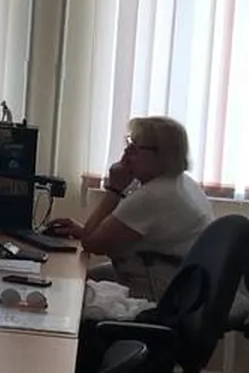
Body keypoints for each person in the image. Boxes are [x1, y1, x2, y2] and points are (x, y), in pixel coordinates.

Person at [46, 115, 214, 300]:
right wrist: (84, 231)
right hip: (181, 285)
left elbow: (92, 244)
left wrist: (114, 190)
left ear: (161, 155)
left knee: (67, 289)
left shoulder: (154, 195)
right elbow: (105, 235)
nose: (126, 153)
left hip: (161, 292)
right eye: (128, 143)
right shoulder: (182, 183)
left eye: (135, 148)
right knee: (76, 279)